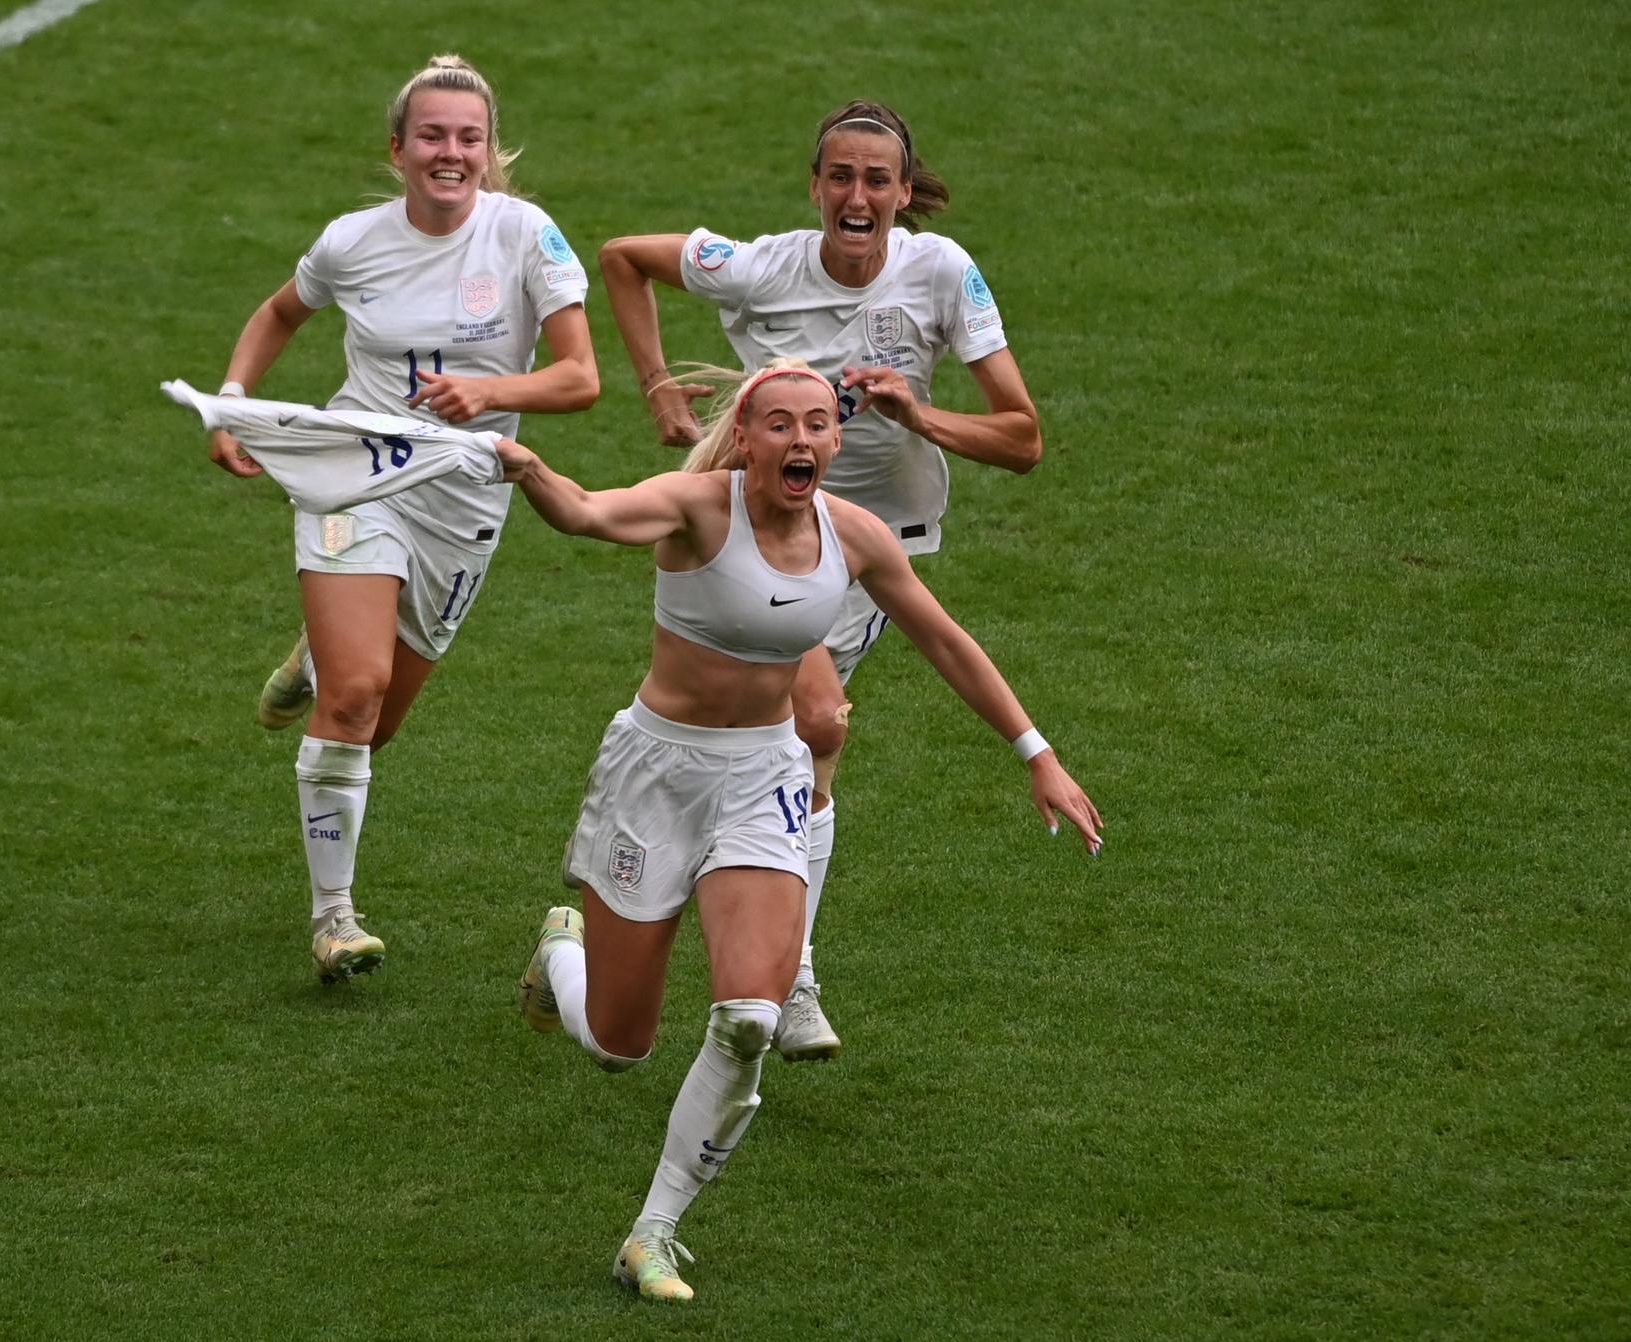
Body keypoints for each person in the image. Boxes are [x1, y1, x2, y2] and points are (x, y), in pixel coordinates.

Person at [496, 361, 1101, 1302]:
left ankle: (652, 1233)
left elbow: (945, 638)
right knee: (621, 1045)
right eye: (781, 425)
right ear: (747, 436)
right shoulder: (696, 507)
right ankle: (561, 955)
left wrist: (1038, 754)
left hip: (763, 776)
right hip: (657, 773)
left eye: (820, 424)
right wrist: (530, 472)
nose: (804, 441)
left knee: (747, 1021)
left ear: (837, 439)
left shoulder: (851, 534)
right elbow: (587, 513)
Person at [596, 100, 1044, 1062]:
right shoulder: (758, 266)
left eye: (877, 180)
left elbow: (1022, 439)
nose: (857, 195)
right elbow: (624, 257)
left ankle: (717, 925)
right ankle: (779, 972)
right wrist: (658, 388)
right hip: (748, 532)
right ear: (815, 187)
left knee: (803, 733)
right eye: (840, 176)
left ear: (902, 192)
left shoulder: (942, 273)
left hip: (872, 547)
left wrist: (920, 417)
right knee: (814, 727)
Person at [206, 55, 598, 984]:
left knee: (372, 725)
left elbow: (580, 379)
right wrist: (232, 399)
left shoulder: (527, 237)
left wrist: (491, 391)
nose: (449, 153)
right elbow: (278, 312)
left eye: (468, 139)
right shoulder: (353, 241)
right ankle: (333, 918)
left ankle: (318, 647)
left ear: (488, 151)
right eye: (431, 137)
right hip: (354, 477)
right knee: (352, 700)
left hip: (464, 499)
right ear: (399, 149)